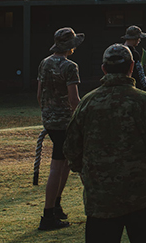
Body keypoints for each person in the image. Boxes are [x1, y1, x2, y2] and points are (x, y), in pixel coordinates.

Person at [64, 44, 146, 243]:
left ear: (104, 69)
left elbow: (71, 149)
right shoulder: (145, 101)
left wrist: (87, 172)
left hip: (100, 199)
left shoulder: (88, 103)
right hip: (140, 195)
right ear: (131, 67)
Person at [36, 27, 83, 231]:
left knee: (63, 164)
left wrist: (47, 114)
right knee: (57, 166)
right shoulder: (70, 66)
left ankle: (56, 205)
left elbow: (39, 94)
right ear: (70, 47)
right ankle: (48, 214)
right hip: (65, 122)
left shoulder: (44, 63)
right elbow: (74, 99)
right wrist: (82, 117)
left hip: (49, 119)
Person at [122, 25, 146, 95]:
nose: (139, 40)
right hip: (134, 89)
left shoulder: (120, 51)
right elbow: (140, 74)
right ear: (134, 38)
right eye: (138, 38)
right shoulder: (134, 54)